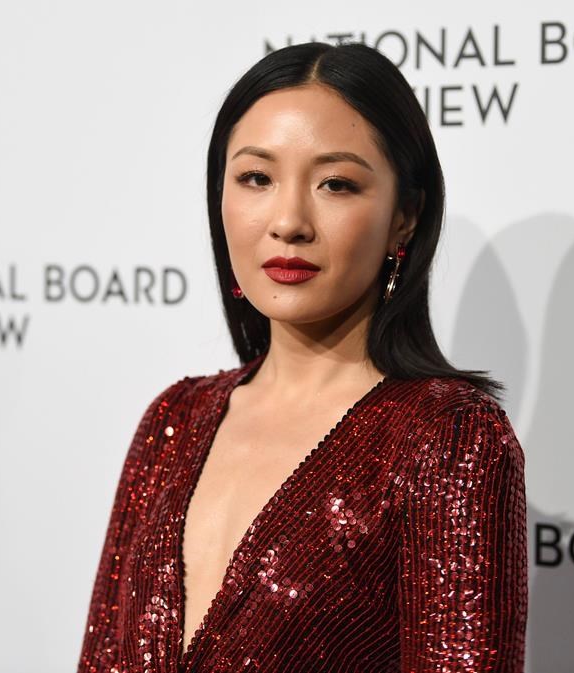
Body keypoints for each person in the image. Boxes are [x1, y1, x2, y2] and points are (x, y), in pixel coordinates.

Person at [76, 41, 527, 673]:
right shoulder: (172, 420)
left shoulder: (447, 439)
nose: (289, 221)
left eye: (336, 184)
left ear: (406, 217)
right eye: (256, 177)